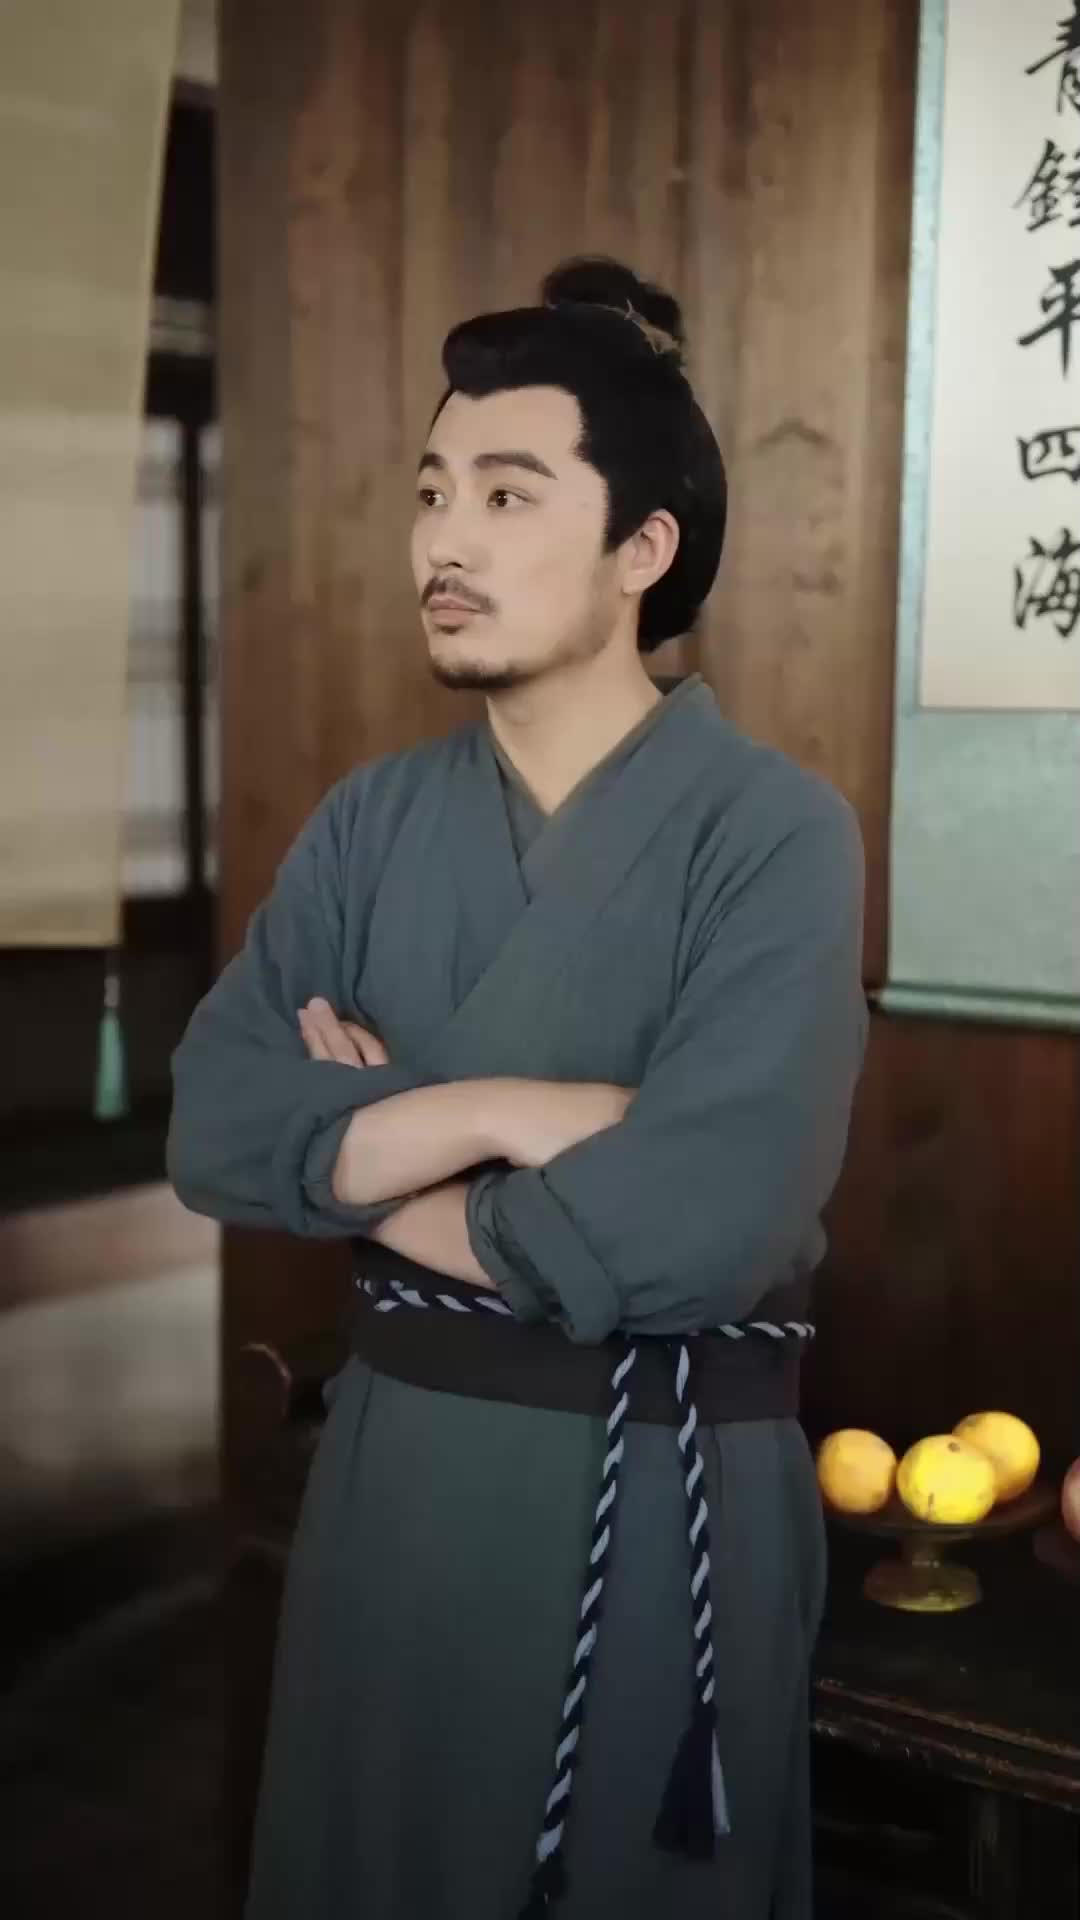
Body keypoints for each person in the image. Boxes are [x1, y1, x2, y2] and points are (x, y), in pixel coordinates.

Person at [168, 255, 868, 1920]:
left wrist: (368, 1162)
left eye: (505, 493)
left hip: (658, 1488)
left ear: (644, 549)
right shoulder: (370, 822)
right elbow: (216, 1122)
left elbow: (709, 1215)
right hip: (396, 1474)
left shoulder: (773, 833)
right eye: (430, 493)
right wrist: (495, 1115)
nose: (445, 541)